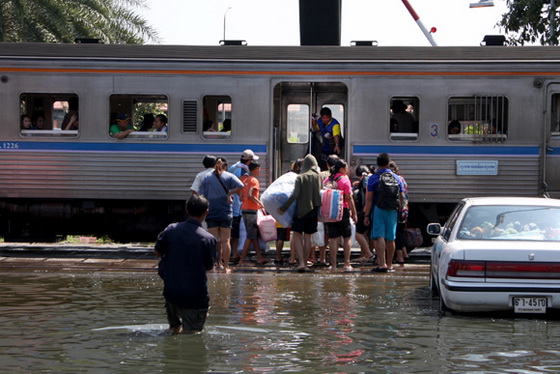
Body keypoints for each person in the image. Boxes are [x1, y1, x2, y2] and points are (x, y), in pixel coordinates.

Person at [154, 194, 216, 334]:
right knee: (192, 333)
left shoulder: (171, 230)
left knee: (174, 329)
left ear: (186, 210)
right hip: (196, 295)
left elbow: (158, 251)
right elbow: (209, 266)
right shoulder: (208, 239)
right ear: (206, 212)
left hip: (172, 291)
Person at [278, 154, 322, 272]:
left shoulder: (300, 177)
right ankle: (306, 264)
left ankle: (301, 263)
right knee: (308, 237)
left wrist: (283, 208)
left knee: (297, 235)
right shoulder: (318, 176)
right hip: (313, 211)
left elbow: (295, 195)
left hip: (301, 211)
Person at [199, 156, 243, 273]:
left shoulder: (207, 177)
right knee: (225, 240)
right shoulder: (229, 176)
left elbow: (201, 195)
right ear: (225, 166)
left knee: (214, 240)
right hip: (225, 212)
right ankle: (226, 266)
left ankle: (214, 265)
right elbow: (241, 186)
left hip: (212, 211)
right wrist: (229, 192)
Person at [363, 153, 405, 273]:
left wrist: (366, 215)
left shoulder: (373, 178)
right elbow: (402, 196)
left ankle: (382, 264)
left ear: (378, 164)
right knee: (391, 238)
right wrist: (399, 208)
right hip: (392, 211)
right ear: (388, 164)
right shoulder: (397, 178)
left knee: (378, 236)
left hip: (378, 209)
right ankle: (390, 265)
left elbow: (369, 199)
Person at [323, 159, 357, 271]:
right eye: (346, 168)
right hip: (343, 210)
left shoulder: (327, 180)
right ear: (342, 169)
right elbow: (349, 198)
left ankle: (333, 265)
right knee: (346, 236)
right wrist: (354, 212)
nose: (347, 170)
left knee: (333, 238)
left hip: (330, 212)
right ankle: (347, 263)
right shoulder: (344, 180)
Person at [228, 149, 259, 263]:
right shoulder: (243, 171)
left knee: (232, 231)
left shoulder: (233, 167)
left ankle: (233, 253)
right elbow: (241, 186)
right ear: (249, 161)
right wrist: (241, 196)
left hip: (231, 203)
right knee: (235, 232)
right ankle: (235, 254)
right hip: (237, 205)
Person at [237, 162, 269, 266]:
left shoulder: (245, 180)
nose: (260, 171)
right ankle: (241, 261)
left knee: (253, 234)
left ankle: (259, 257)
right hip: (251, 210)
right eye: (259, 168)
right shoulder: (254, 180)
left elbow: (241, 196)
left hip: (244, 209)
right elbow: (251, 195)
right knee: (250, 236)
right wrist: (260, 203)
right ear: (256, 169)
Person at [353, 164, 375, 263]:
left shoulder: (365, 179)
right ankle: (367, 254)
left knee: (358, 232)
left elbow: (366, 197)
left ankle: (368, 253)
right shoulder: (373, 178)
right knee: (369, 233)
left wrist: (365, 212)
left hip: (366, 210)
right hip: (375, 210)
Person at [390, 161, 409, 264]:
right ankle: (405, 254)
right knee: (400, 232)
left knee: (397, 234)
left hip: (398, 209)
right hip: (404, 209)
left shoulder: (394, 180)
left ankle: (400, 257)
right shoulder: (402, 179)